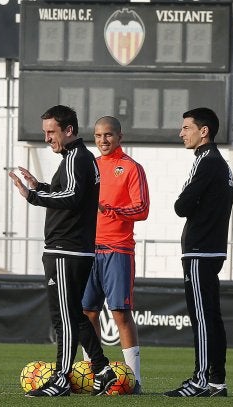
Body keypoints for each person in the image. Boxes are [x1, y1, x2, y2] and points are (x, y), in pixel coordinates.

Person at [9, 105, 116, 397]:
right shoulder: (78, 158)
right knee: (75, 316)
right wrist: (41, 185)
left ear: (68, 131)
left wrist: (33, 195)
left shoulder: (76, 157)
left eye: (51, 132)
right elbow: (71, 193)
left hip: (66, 251)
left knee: (63, 319)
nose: (47, 138)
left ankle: (61, 379)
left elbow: (71, 196)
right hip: (73, 250)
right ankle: (103, 369)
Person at [164, 107, 233, 397]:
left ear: (203, 131)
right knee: (211, 317)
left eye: (186, 127)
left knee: (203, 318)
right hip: (210, 249)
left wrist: (185, 202)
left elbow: (181, 206)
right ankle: (216, 381)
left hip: (200, 250)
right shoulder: (216, 162)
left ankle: (202, 380)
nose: (181, 133)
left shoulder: (208, 162)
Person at [81, 116, 149, 395]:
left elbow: (142, 209)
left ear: (120, 136)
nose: (103, 140)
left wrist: (110, 209)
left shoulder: (132, 168)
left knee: (120, 312)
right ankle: (94, 376)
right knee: (87, 313)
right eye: (98, 136)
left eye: (108, 135)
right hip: (87, 250)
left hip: (118, 249)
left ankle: (134, 378)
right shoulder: (90, 167)